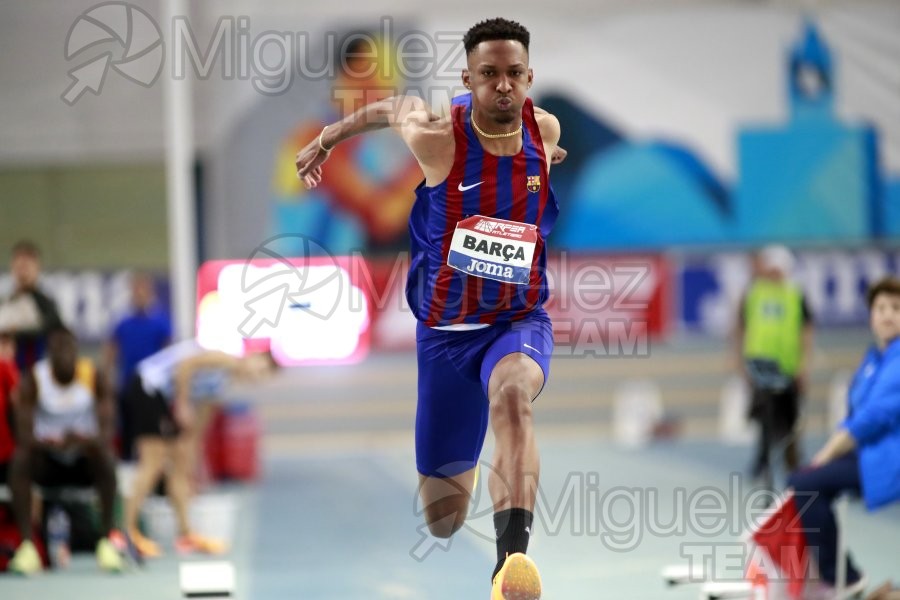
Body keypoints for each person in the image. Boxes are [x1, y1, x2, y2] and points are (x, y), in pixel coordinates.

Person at [295, 18, 566, 599]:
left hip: (517, 323)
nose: (502, 87)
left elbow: (538, 162)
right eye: (488, 75)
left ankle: (510, 562)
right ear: (468, 78)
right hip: (445, 338)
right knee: (443, 517)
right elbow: (387, 109)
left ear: (528, 77)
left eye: (514, 74)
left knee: (513, 400)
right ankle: (472, 520)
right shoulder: (437, 135)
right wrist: (327, 138)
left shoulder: (543, 129)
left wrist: (547, 161)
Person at [787, 276, 900, 595]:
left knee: (805, 484)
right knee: (801, 480)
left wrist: (828, 453)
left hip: (889, 459)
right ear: (870, 316)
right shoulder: (873, 359)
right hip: (869, 453)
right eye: (880, 308)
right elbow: (854, 411)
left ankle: (844, 576)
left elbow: (871, 418)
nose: (888, 314)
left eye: (896, 308)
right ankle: (829, 572)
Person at [123, 340, 277, 557]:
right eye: (259, 368)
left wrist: (192, 469)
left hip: (165, 401)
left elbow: (196, 434)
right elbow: (186, 365)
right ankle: (126, 533)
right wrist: (183, 403)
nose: (255, 376)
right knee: (153, 462)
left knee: (180, 464)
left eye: (261, 377)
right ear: (252, 357)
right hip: (148, 387)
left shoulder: (220, 386)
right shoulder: (225, 359)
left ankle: (186, 534)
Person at [7, 327, 122, 575]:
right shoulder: (35, 379)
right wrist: (53, 443)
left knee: (106, 459)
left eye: (70, 354)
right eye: (58, 355)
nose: (65, 360)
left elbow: (106, 433)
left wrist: (81, 441)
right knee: (20, 461)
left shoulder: (92, 376)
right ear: (50, 358)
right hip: (48, 461)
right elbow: (24, 435)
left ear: (77, 355)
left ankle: (106, 541)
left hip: (83, 460)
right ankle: (28, 547)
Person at [734, 244, 813, 479]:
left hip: (788, 366)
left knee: (791, 416)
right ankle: (763, 460)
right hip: (760, 365)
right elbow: (740, 325)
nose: (774, 273)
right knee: (763, 415)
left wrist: (803, 364)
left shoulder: (795, 294)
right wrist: (739, 360)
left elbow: (806, 330)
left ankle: (793, 463)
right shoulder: (754, 292)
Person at [103, 272, 171, 460]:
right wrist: (107, 380)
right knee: (127, 429)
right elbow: (111, 351)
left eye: (143, 290)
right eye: (136, 290)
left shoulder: (160, 322)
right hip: (128, 384)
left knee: (151, 431)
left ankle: (152, 466)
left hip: (151, 388)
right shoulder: (123, 323)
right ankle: (127, 464)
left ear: (150, 293)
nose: (139, 294)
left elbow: (169, 351)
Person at [0, 241, 64, 371]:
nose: (23, 272)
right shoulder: (6, 303)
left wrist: (15, 330)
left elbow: (55, 329)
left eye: (27, 266)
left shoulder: (45, 305)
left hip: (37, 375)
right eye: (19, 266)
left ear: (37, 268)